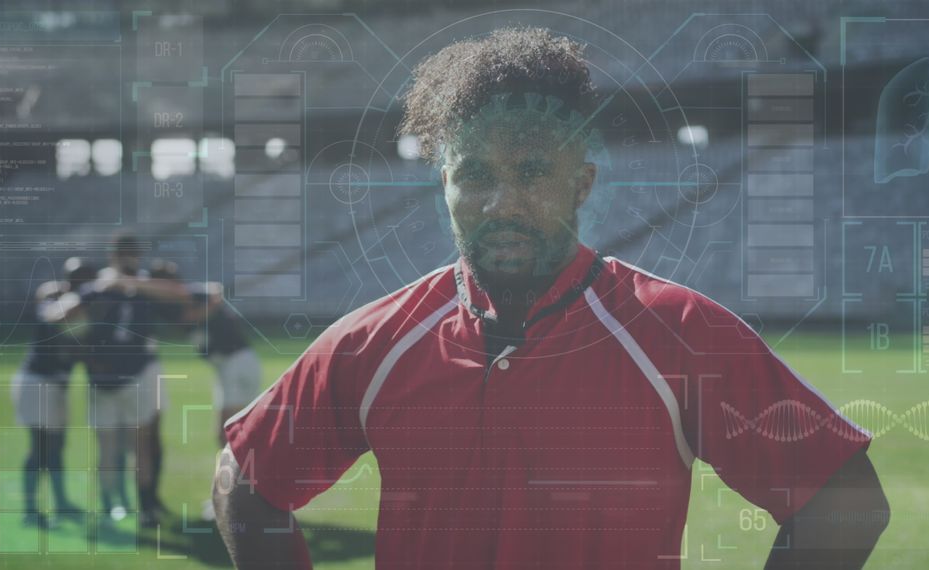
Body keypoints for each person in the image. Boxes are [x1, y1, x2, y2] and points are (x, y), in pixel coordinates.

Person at [214, 27, 889, 569]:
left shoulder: (676, 333)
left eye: (533, 172)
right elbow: (243, 482)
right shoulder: (376, 344)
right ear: (442, 185)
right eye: (473, 174)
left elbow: (844, 498)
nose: (502, 202)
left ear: (582, 183)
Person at [56, 232, 189, 528]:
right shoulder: (97, 285)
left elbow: (178, 294)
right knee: (111, 447)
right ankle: (112, 506)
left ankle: (144, 506)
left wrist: (128, 283)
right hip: (107, 377)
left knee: (140, 443)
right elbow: (63, 316)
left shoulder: (139, 284)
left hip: (135, 372)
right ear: (115, 255)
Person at [148, 259, 262, 522]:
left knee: (231, 436)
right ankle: (237, 496)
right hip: (227, 367)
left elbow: (213, 294)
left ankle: (235, 499)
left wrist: (203, 306)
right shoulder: (174, 305)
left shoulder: (192, 295)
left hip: (236, 363)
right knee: (228, 437)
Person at [12, 257, 96, 527]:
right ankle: (30, 509)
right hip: (37, 382)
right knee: (39, 448)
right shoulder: (55, 303)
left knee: (56, 448)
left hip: (56, 385)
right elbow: (51, 312)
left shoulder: (81, 306)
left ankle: (61, 503)